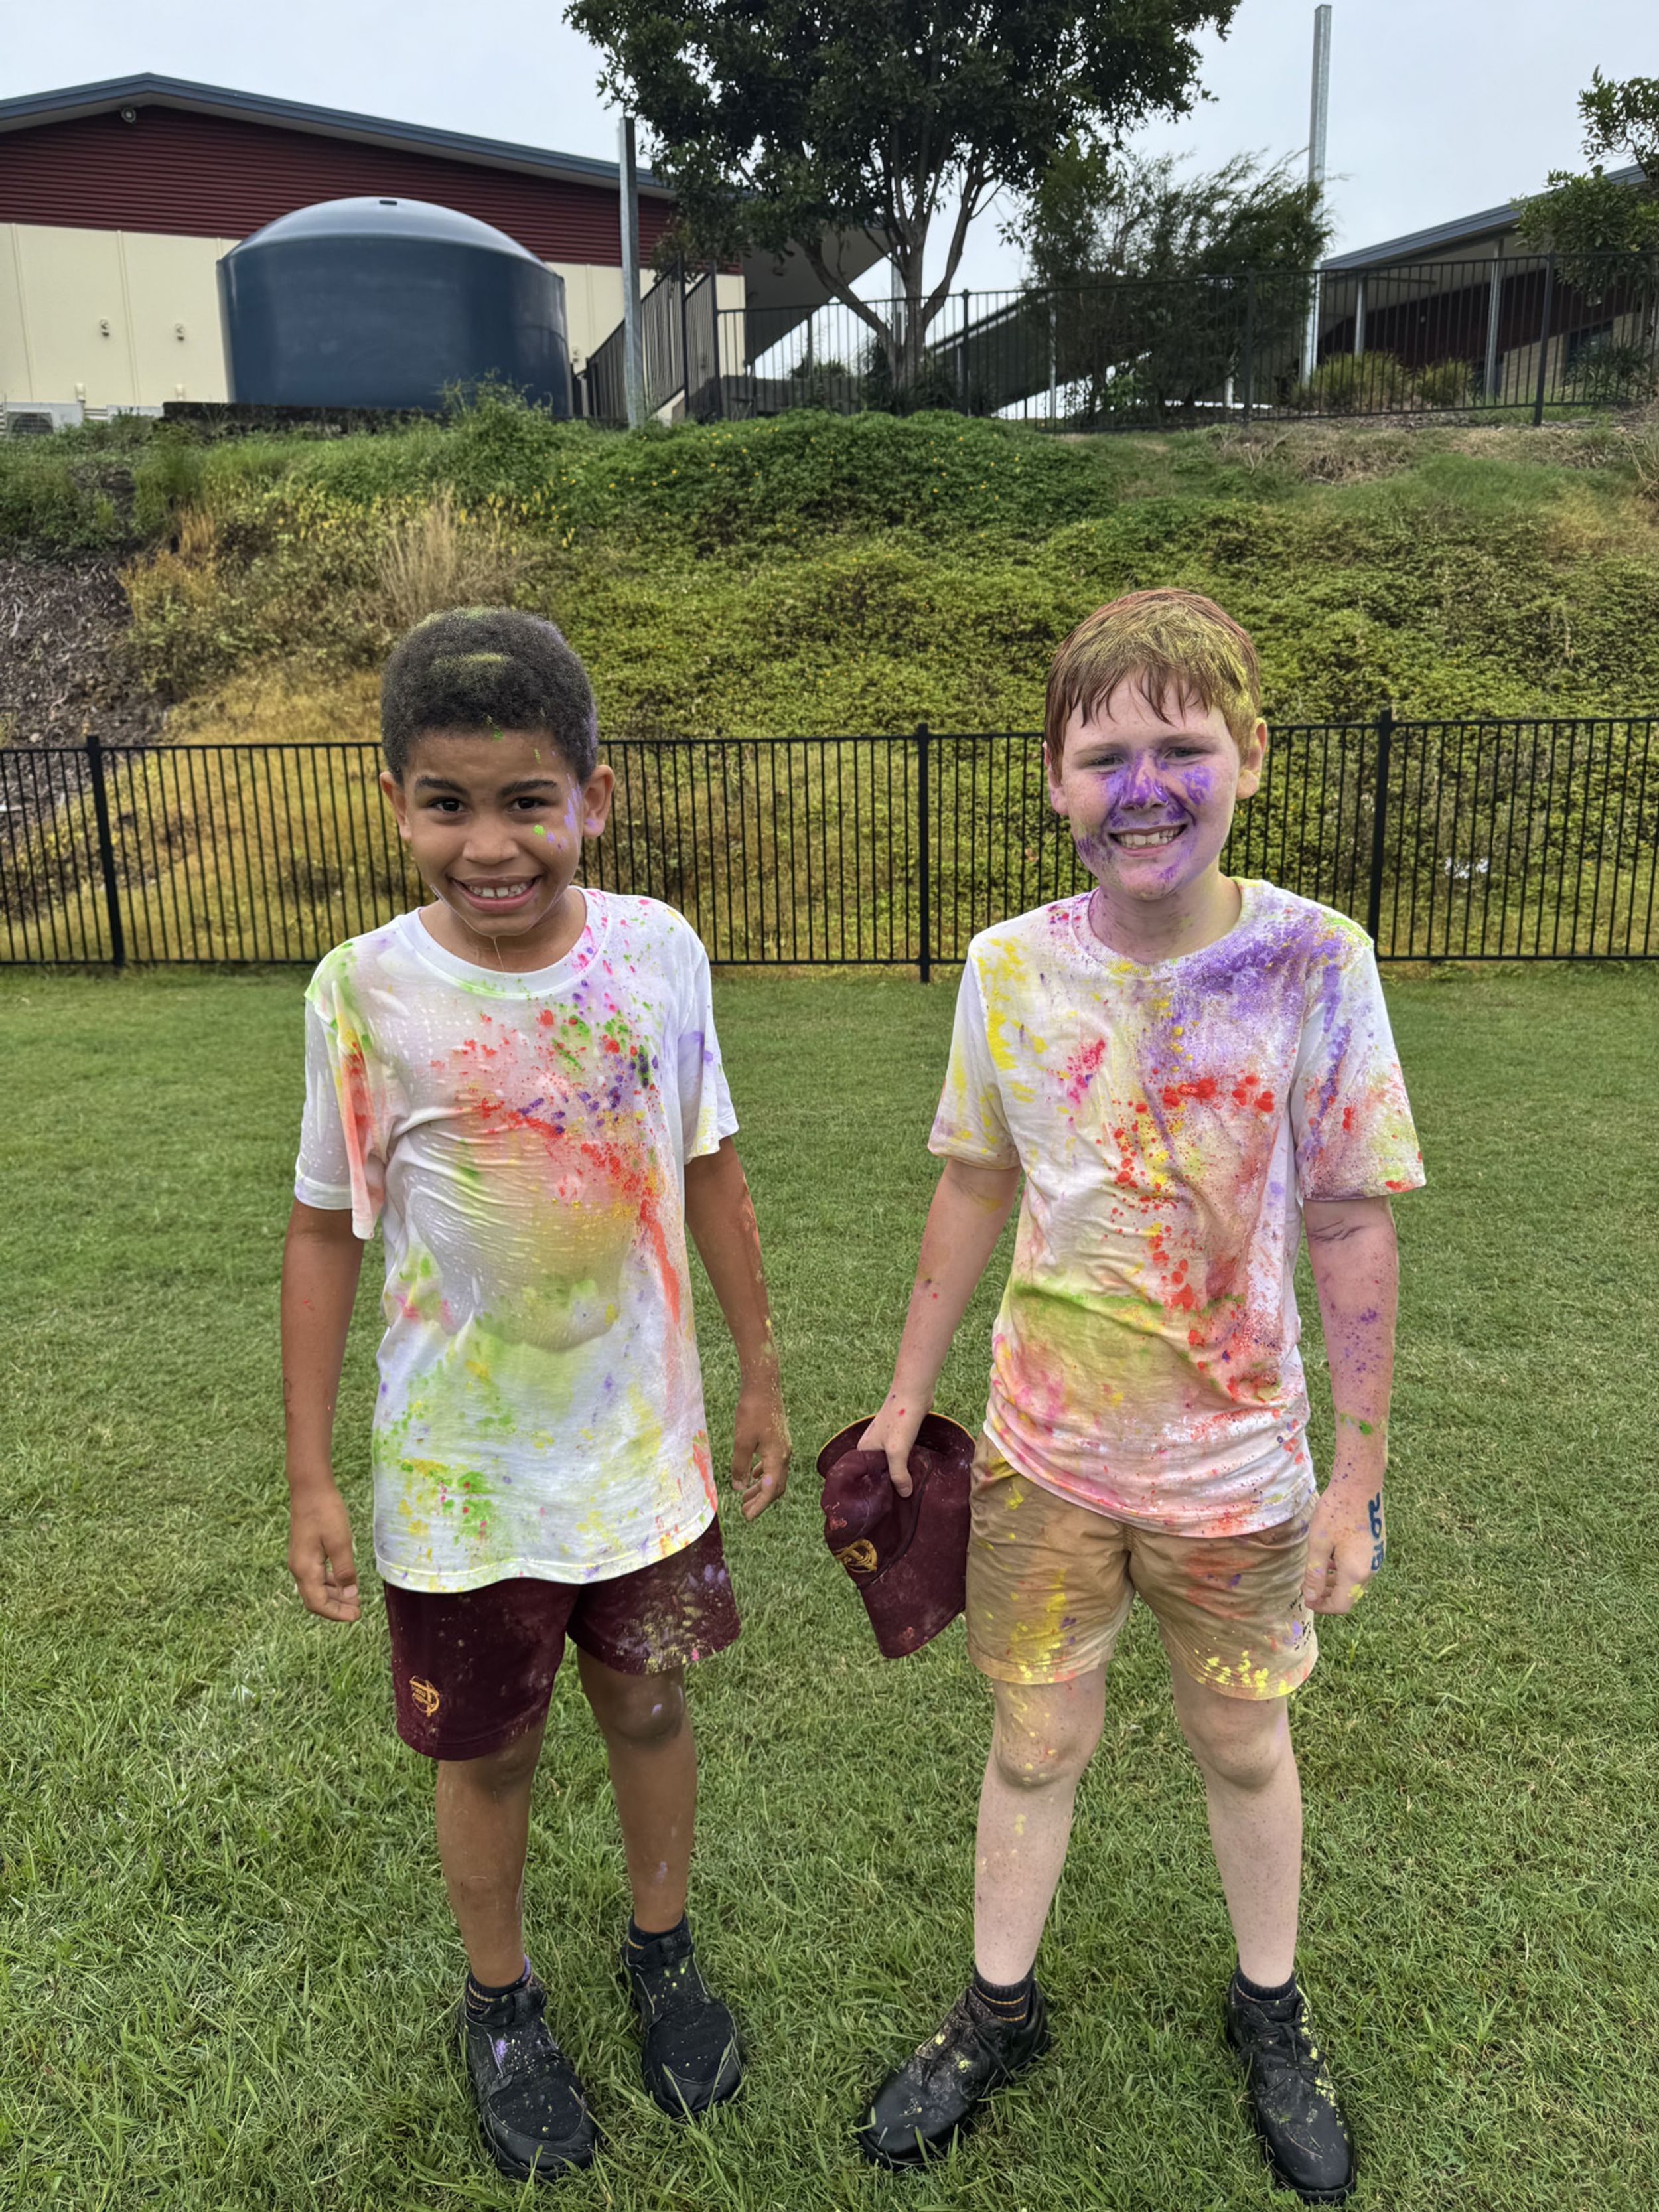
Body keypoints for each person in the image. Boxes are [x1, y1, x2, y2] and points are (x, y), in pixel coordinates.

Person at [853, 589, 1422, 2204]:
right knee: (1034, 1738)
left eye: (1182, 745)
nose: (1145, 786)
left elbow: (1348, 1219)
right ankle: (995, 2009)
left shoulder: (1314, 959)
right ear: (1053, 779)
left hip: (1237, 1466)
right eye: (1105, 756)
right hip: (1044, 1456)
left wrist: (1354, 1473)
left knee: (1241, 1740)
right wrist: (903, 1395)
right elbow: (973, 1180)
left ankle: (1269, 2008)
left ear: (1249, 754)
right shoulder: (1007, 966)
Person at [281, 608, 789, 2183]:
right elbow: (322, 1230)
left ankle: (661, 1951)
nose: (489, 844)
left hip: (641, 1457)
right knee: (487, 1751)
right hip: (461, 1482)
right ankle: (499, 2005)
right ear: (394, 804)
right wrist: (311, 1473)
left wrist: (758, 1371)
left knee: (648, 1700)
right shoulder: (364, 993)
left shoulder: (658, 955)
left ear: (595, 798)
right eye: (447, 803)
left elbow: (708, 1165)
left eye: (526, 801)